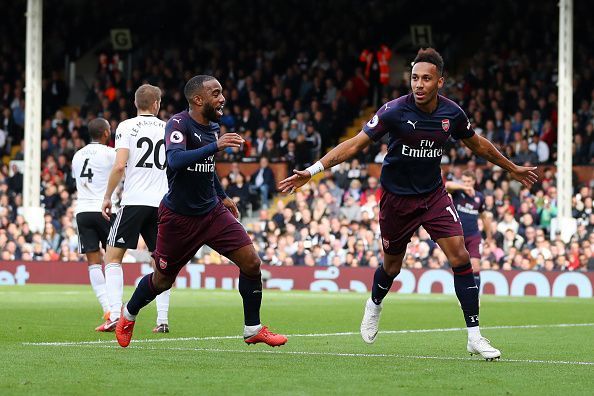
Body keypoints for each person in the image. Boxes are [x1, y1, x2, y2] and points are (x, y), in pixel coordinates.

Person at [279, 48, 538, 361]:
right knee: (392, 266)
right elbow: (354, 145)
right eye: (415, 77)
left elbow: (478, 145)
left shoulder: (452, 114)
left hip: (433, 195)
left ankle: (474, 336)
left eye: (426, 79)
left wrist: (512, 168)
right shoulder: (393, 111)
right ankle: (374, 303)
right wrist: (312, 171)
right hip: (396, 200)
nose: (419, 84)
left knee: (460, 255)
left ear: (439, 82)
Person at [114, 75, 287, 348]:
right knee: (161, 281)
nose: (222, 99)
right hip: (178, 218)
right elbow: (175, 160)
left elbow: (207, 165)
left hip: (212, 212)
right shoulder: (178, 123)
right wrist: (215, 145)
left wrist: (222, 195)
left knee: (252, 262)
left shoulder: (213, 126)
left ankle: (252, 328)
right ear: (198, 99)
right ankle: (128, 313)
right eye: (216, 94)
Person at [99, 84, 171, 333]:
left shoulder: (127, 126)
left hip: (134, 201)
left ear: (136, 104)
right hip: (162, 204)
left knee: (112, 257)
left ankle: (115, 315)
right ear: (156, 104)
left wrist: (107, 196)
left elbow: (120, 166)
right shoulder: (168, 128)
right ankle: (162, 320)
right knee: (161, 262)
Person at [71, 117, 116, 331]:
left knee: (93, 262)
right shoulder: (110, 153)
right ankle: (116, 310)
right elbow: (120, 172)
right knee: (114, 260)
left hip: (82, 211)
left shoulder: (78, 155)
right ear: (106, 133)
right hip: (104, 210)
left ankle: (107, 308)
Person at [445, 170, 492, 291]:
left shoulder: (479, 197)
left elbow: (484, 217)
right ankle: (463, 295)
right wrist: (463, 186)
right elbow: (447, 185)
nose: (466, 183)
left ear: (474, 182)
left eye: (469, 181)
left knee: (475, 266)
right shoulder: (457, 192)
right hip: (458, 236)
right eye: (464, 181)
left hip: (473, 235)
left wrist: (489, 237)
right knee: (460, 267)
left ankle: (475, 297)